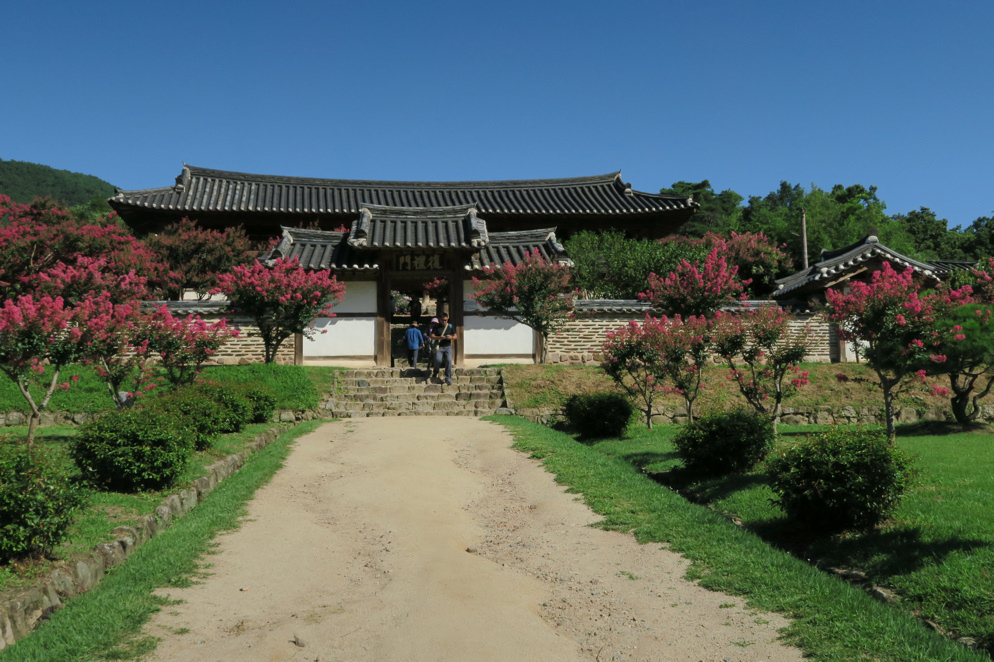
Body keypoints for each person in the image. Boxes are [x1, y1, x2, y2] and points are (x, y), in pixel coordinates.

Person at [431, 313, 456, 385]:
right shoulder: (436, 326)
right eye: (443, 320)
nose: (445, 321)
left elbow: (455, 336)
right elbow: (432, 336)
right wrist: (439, 337)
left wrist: (450, 337)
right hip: (439, 346)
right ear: (440, 320)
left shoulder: (450, 326)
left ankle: (448, 378)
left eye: (446, 320)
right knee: (438, 360)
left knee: (448, 360)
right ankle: (436, 371)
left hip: (448, 346)